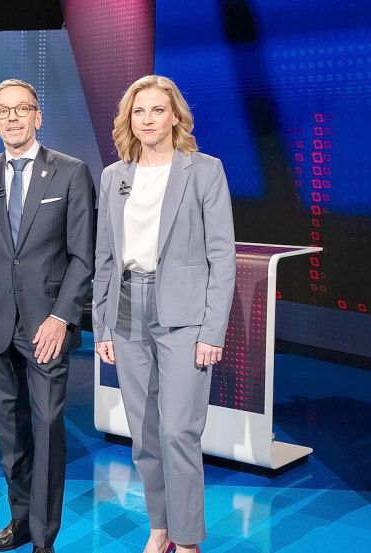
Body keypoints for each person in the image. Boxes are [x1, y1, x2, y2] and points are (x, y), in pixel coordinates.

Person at [92, 75, 235, 553]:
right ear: (128, 121)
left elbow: (222, 257)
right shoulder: (115, 177)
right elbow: (105, 258)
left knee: (178, 431)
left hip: (186, 316)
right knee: (144, 435)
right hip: (127, 311)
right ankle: (160, 528)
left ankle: (188, 538)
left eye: (157, 109)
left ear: (175, 115)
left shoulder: (205, 170)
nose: (148, 119)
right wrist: (103, 324)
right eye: (139, 111)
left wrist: (212, 329)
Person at [0, 79, 95, 553]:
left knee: (48, 427)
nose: (13, 118)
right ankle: (18, 522)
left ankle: (42, 538)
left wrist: (62, 317)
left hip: (47, 325)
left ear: (39, 116)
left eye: (22, 109)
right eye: (3, 112)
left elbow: (83, 256)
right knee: (9, 428)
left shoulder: (71, 173)